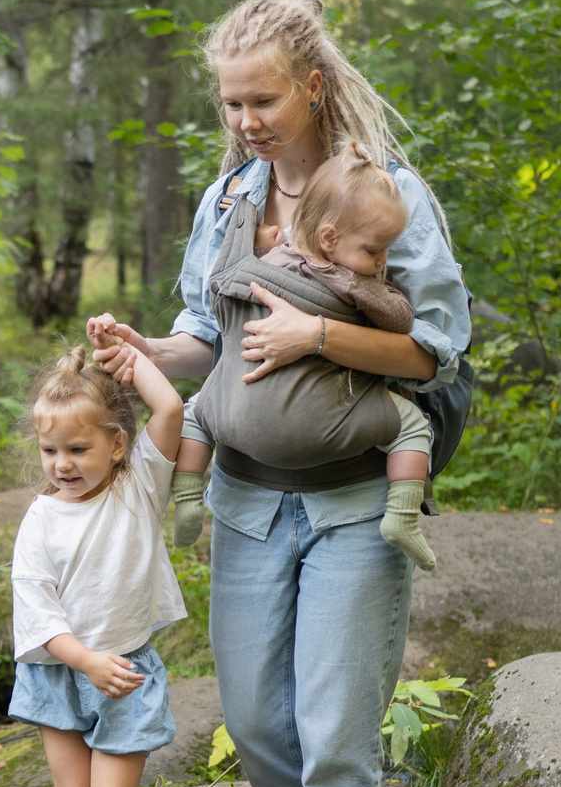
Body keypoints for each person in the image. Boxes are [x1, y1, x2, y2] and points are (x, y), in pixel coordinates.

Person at [86, 0, 469, 787]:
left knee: (335, 730)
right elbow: (205, 342)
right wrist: (141, 353)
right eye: (229, 104)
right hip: (251, 500)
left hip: (352, 503)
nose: (244, 120)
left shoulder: (384, 195)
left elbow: (433, 351)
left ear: (309, 84)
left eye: (259, 99)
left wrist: (319, 338)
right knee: (260, 724)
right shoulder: (226, 202)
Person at [5, 343, 187, 787]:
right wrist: (84, 660)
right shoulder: (41, 518)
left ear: (117, 445)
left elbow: (168, 404)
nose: (63, 465)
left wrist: (126, 353)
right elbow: (38, 607)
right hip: (62, 672)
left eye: (78, 450)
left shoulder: (140, 486)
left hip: (126, 672)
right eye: (52, 452)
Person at [170, 145, 439, 571]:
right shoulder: (351, 280)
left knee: (196, 413)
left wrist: (257, 247)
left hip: (241, 420)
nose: (382, 260)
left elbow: (220, 301)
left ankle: (186, 496)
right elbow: (401, 321)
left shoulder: (272, 257)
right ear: (331, 239)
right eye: (374, 251)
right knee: (411, 426)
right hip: (325, 427)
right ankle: (403, 516)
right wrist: (387, 292)